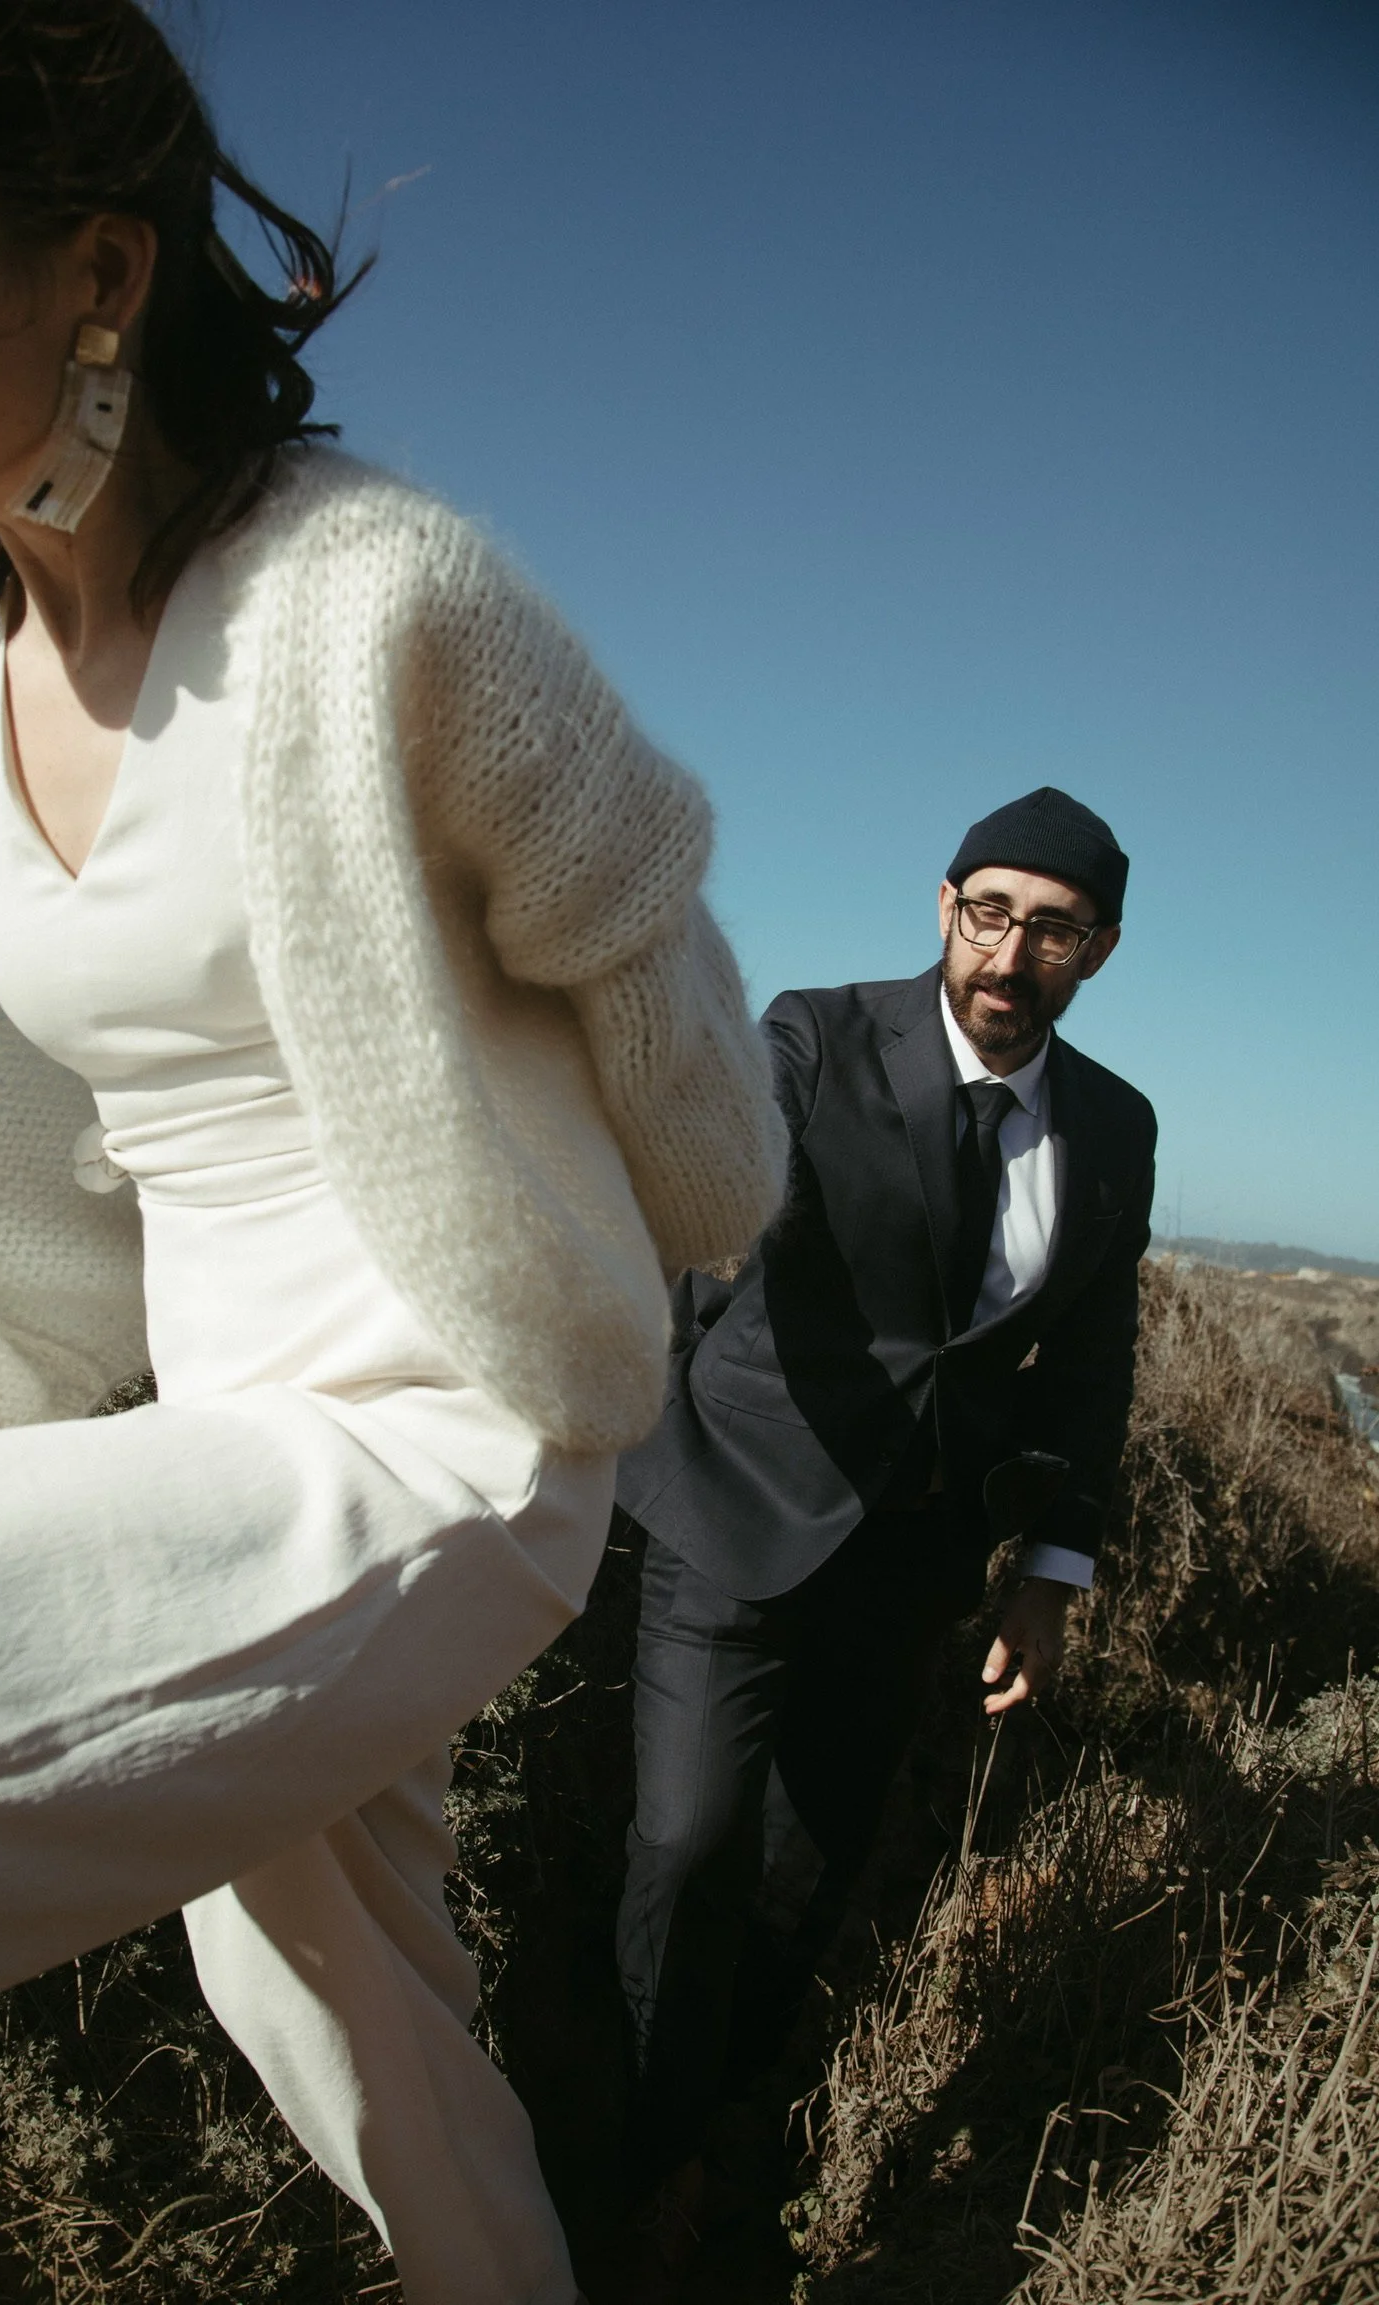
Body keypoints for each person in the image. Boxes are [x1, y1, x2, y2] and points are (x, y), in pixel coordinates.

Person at [0, 6, 788, 2302]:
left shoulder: (379, 600)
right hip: (196, 1425)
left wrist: (623, 1284)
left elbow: (676, 1024)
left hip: (435, 1437)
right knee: (340, 2011)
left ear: (97, 271)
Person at [612, 786, 1157, 2283]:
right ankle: (634, 2169)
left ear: (1097, 950)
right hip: (734, 1504)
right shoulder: (816, 1034)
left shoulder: (1113, 1127)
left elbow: (1092, 1358)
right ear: (943, 909)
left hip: (911, 1565)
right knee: (688, 1841)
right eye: (989, 913)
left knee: (802, 1878)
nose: (1011, 952)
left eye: (1052, 929)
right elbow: (708, 1184)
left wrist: (1050, 1575)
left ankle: (725, 2135)